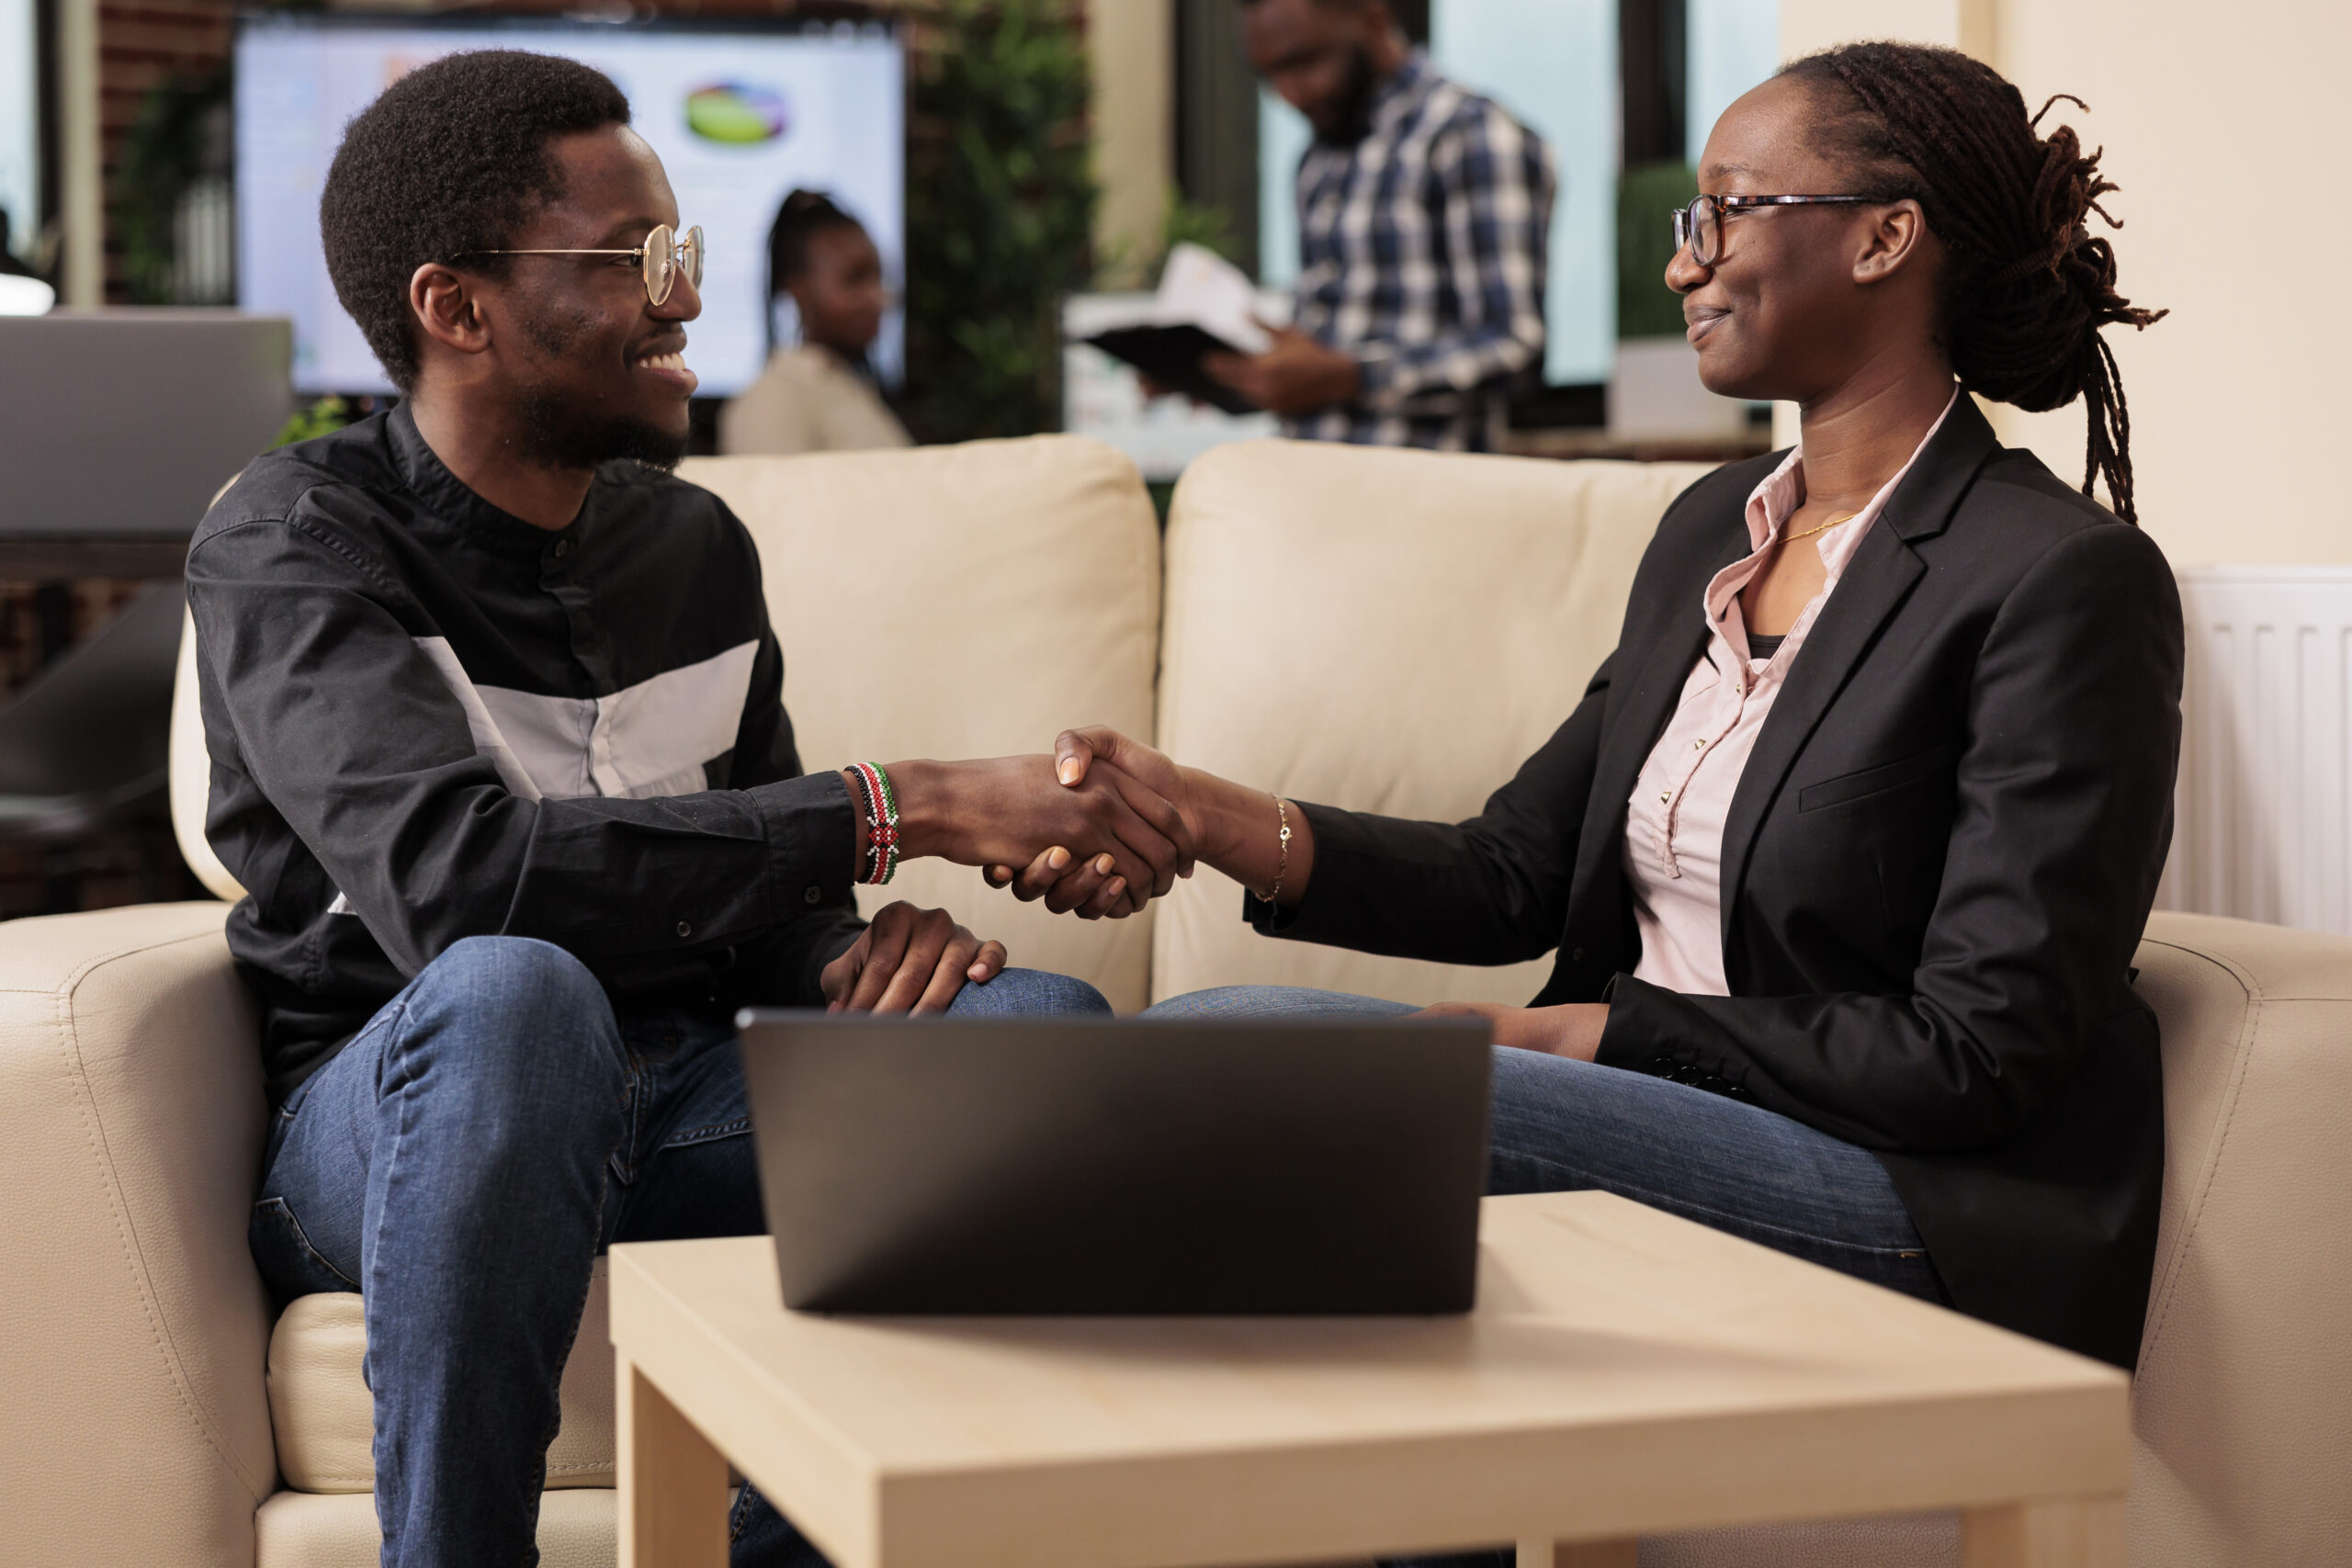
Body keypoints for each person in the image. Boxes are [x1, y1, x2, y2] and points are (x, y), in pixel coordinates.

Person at [1011, 41, 2177, 1397]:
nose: (1686, 261)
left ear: (1885, 238)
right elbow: (1513, 871)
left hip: (1907, 1192)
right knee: (1259, 1140)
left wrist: (1588, 1033)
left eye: (1729, 211)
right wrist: (1197, 811)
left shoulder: (2056, 577)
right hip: (1662, 1109)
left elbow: (1977, 1052)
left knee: (1243, 1054)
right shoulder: (1709, 531)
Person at [186, 51, 1182, 1568]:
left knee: (1028, 1030)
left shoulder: (696, 546)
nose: (688, 301)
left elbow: (769, 911)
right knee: (518, 990)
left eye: (686, 253)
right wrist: (887, 807)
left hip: (685, 1091)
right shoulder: (297, 537)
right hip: (405, 1119)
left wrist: (853, 959)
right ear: (460, 308)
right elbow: (468, 890)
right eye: (641, 259)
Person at [1209, 0, 1555, 451]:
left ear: (1374, 20)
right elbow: (1322, 350)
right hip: (1304, 484)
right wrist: (1232, 377)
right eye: (1269, 74)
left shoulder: (1470, 135)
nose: (1289, 93)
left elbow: (1515, 350)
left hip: (1419, 496)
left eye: (1305, 62)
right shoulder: (1316, 162)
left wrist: (1351, 377)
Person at [718, 188, 912, 456]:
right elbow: (771, 497)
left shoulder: (850, 388)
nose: (875, 297)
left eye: (877, 278)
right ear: (797, 288)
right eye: (854, 280)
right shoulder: (774, 397)